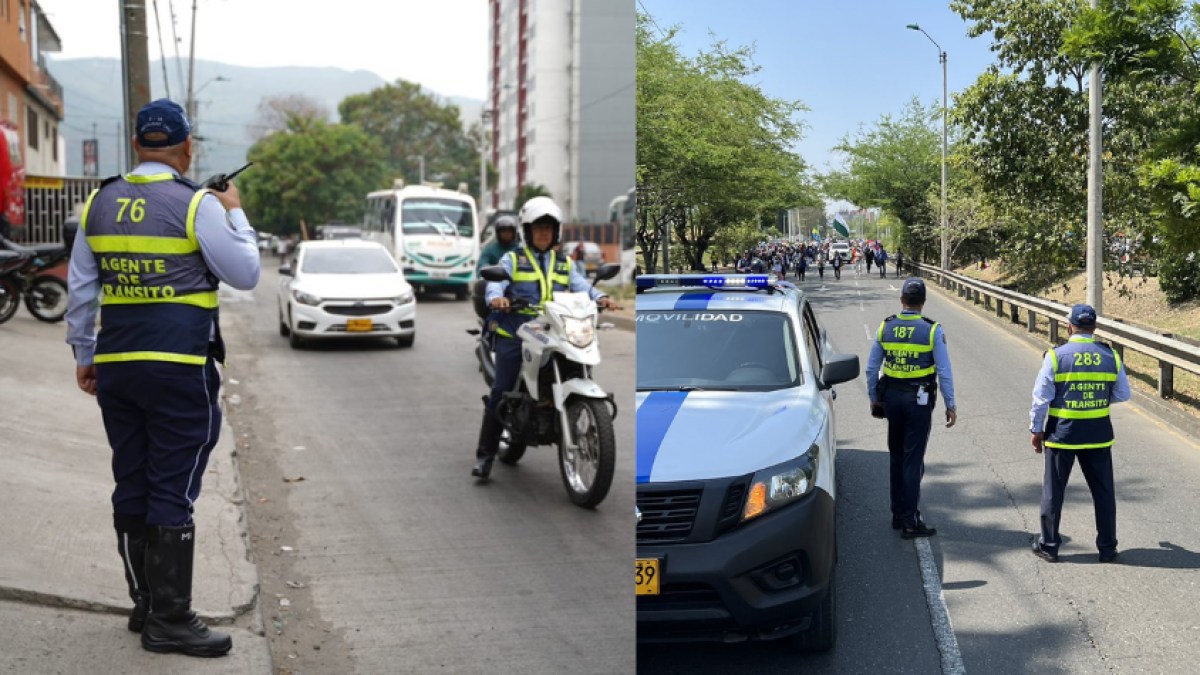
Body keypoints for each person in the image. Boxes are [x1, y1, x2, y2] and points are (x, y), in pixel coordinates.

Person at [65, 99, 259, 657]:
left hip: (118, 366)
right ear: (187, 148)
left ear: (135, 145)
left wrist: (85, 354)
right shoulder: (199, 205)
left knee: (132, 479)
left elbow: (81, 292)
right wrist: (235, 211)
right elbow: (245, 273)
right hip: (177, 368)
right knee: (171, 488)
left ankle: (145, 604)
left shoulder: (99, 202)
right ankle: (170, 620)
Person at [473, 197, 619, 479]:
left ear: (556, 232)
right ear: (527, 231)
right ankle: (485, 456)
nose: (543, 233)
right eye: (538, 228)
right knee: (501, 390)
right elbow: (496, 283)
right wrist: (498, 298)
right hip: (518, 331)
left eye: (548, 228)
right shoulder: (512, 259)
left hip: (556, 330)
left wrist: (601, 297)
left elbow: (582, 288)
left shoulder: (564, 263)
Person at [1029, 304, 1130, 563]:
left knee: (1054, 491)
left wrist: (1036, 430)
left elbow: (1041, 400)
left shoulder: (1055, 356)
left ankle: (1049, 546)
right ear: (1094, 327)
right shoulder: (1111, 356)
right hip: (1098, 434)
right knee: (1104, 493)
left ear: (1069, 326)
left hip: (1062, 435)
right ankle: (1107, 549)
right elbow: (1122, 394)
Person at [865, 279, 957, 538]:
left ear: (902, 300)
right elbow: (944, 371)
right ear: (923, 302)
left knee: (896, 456)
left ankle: (897, 513)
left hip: (892, 399)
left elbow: (872, 368)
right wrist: (950, 405)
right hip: (919, 402)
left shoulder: (886, 326)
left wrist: (874, 397)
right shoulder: (932, 330)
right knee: (913, 461)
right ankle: (910, 521)